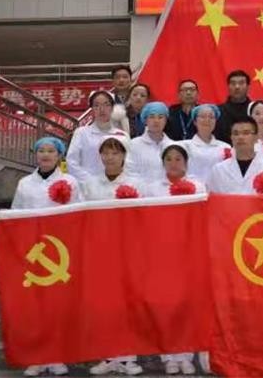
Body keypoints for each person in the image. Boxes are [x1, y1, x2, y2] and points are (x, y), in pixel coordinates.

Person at [13, 137, 80, 377]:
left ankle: (57, 355)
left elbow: (78, 215)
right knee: (35, 307)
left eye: (51, 150)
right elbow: (16, 215)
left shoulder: (70, 182)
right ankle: (36, 357)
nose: (45, 154)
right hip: (34, 252)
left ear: (59, 155)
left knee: (57, 306)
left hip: (61, 252)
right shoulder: (24, 184)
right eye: (41, 150)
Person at [83, 135, 144, 376]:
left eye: (115, 153)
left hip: (128, 251)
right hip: (100, 251)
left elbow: (144, 217)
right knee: (104, 305)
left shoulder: (137, 184)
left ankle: (129, 358)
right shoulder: (90, 184)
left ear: (124, 156)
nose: (110, 157)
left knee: (128, 304)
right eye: (106, 153)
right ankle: (107, 356)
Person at [144, 144, 204, 376]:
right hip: (161, 254)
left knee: (186, 305)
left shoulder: (198, 186)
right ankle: (168, 355)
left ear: (186, 162)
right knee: (165, 305)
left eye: (178, 158)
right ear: (163, 163)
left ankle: (186, 355)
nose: (173, 163)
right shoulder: (152, 189)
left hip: (189, 253)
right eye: (168, 159)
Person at [208, 117, 263, 197]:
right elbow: (213, 200)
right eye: (236, 133)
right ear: (231, 137)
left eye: (246, 133)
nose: (240, 137)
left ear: (256, 137)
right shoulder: (219, 170)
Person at [66, 90, 128, 182]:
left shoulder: (122, 135)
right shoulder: (81, 133)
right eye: (96, 105)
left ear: (112, 108)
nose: (102, 109)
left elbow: (128, 162)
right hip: (86, 185)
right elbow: (71, 162)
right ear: (92, 109)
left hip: (116, 184)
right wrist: (91, 181)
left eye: (106, 104)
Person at [125, 102, 175, 181]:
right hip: (140, 188)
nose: (156, 121)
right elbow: (129, 171)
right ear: (145, 120)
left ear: (166, 121)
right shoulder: (134, 144)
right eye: (152, 117)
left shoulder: (173, 146)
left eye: (160, 117)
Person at [184, 104, 232, 184]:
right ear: (195, 121)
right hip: (193, 189)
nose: (207, 120)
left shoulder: (225, 147)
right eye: (203, 116)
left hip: (218, 189)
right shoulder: (185, 146)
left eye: (211, 117)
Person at [214, 70, 251, 144]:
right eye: (233, 83)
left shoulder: (255, 111)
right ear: (228, 86)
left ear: (248, 87)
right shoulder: (217, 112)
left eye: (241, 83)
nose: (237, 87)